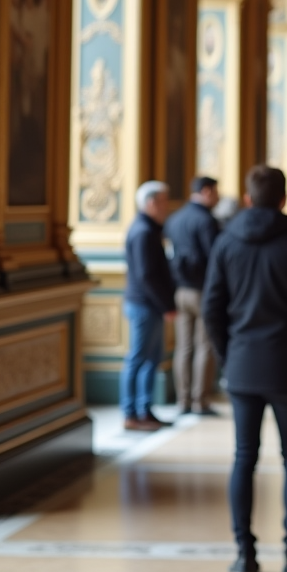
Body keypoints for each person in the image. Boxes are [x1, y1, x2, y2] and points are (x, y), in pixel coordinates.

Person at [202, 166, 287, 572]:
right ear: (283, 199)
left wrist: (228, 355)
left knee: (244, 457)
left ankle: (245, 555)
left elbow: (212, 309)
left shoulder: (226, 243)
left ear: (247, 198)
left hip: (243, 364)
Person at [121, 182, 177, 432]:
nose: (166, 207)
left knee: (151, 359)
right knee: (138, 358)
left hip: (148, 305)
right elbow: (147, 276)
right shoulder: (143, 231)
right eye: (163, 201)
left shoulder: (149, 229)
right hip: (145, 305)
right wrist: (166, 305)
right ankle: (130, 412)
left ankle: (145, 409)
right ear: (151, 203)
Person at [164, 176, 222, 417]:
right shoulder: (206, 220)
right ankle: (200, 400)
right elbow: (215, 259)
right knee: (204, 346)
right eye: (216, 192)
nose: (218, 197)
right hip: (202, 291)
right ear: (206, 191)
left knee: (183, 347)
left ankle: (183, 399)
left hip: (179, 290)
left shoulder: (175, 218)